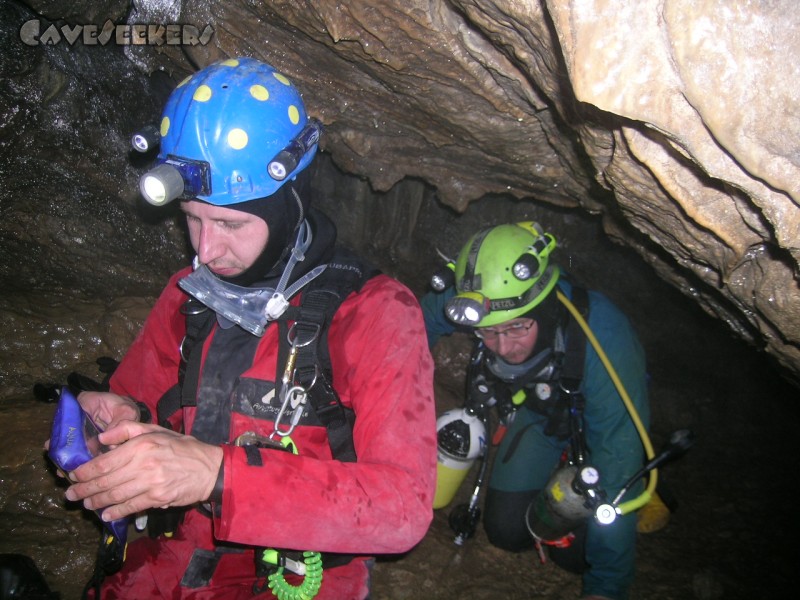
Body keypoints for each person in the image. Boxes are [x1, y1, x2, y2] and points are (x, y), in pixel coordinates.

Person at [52, 57, 436, 599]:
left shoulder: (373, 313)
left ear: (287, 204)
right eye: (192, 218)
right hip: (172, 556)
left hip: (296, 574)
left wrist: (216, 474)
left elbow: (402, 509)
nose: (205, 251)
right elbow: (135, 398)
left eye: (230, 223)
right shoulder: (187, 295)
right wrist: (115, 421)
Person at [421, 222, 650, 600]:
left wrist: (606, 589)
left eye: (516, 329)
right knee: (508, 531)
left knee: (579, 557)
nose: (501, 346)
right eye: (486, 332)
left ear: (540, 305)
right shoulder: (478, 301)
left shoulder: (602, 335)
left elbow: (617, 453)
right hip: (541, 416)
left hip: (600, 425)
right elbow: (416, 322)